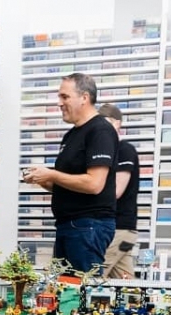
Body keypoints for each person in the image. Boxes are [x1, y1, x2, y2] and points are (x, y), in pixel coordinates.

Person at [24, 73, 118, 273]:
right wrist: (42, 179)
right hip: (69, 226)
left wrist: (52, 175)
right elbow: (66, 184)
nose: (59, 103)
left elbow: (94, 184)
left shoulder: (100, 131)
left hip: (88, 226)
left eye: (64, 97)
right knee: (64, 287)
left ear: (84, 97)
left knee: (81, 287)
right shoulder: (71, 135)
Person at [98, 103, 140, 279]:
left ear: (117, 124)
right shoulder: (109, 151)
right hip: (121, 230)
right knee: (124, 283)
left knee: (94, 276)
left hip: (119, 228)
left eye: (105, 122)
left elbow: (116, 191)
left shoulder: (124, 150)